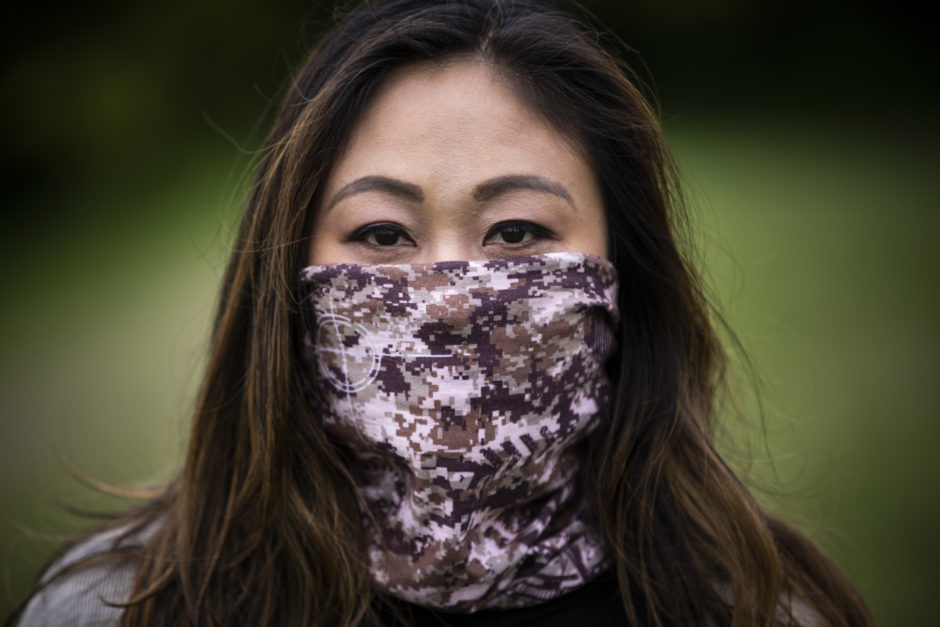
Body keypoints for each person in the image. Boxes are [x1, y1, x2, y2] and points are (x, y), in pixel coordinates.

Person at [9, 0, 871, 625]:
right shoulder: (113, 605)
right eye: (383, 231)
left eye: (518, 231)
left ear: (620, 276)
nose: (453, 295)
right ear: (288, 282)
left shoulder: (758, 605)